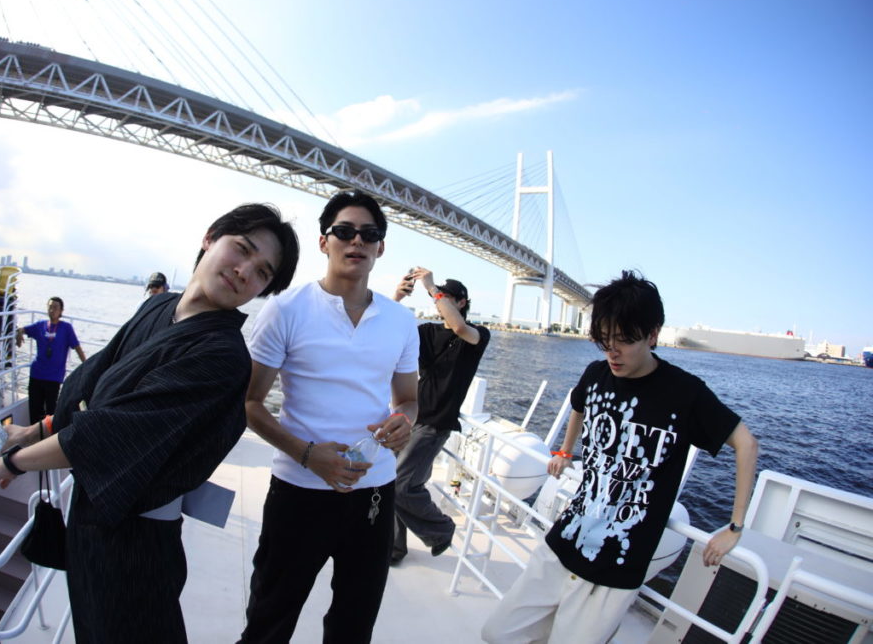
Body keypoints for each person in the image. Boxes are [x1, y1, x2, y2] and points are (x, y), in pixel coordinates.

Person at [0, 203, 300, 643]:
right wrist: (31, 433)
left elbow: (113, 432)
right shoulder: (158, 306)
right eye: (242, 249)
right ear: (210, 238)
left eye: (261, 273)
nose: (244, 271)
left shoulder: (222, 356)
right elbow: (92, 379)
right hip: (89, 518)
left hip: (136, 538)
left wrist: (12, 463)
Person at [481, 270, 759, 644]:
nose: (612, 351)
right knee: (498, 632)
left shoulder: (684, 393)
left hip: (618, 563)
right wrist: (566, 450)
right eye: (604, 340)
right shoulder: (596, 374)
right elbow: (578, 404)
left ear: (653, 334)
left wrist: (735, 527)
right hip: (565, 538)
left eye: (624, 341)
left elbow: (746, 444)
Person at [238, 190, 419, 644]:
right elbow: (250, 403)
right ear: (324, 242)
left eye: (369, 234)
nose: (357, 241)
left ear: (380, 247)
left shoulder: (401, 321)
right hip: (298, 493)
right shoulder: (286, 309)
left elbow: (408, 399)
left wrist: (405, 421)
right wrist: (307, 455)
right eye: (344, 231)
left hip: (374, 494)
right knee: (268, 621)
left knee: (354, 626)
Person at [390, 269, 490, 565]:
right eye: (437, 297)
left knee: (401, 485)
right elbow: (391, 329)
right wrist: (398, 297)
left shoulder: (476, 335)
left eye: (445, 297)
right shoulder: (428, 332)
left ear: (462, 302)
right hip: (410, 414)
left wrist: (432, 287)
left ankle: (441, 530)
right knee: (388, 479)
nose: (438, 302)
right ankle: (393, 547)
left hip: (435, 423)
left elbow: (458, 327)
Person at [16, 297, 87, 425]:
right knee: (34, 409)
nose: (52, 310)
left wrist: (87, 365)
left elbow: (77, 348)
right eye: (50, 307)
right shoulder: (40, 325)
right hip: (36, 374)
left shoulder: (66, 328)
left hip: (53, 377)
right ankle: (33, 435)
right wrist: (19, 333)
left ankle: (47, 436)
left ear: (61, 311)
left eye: (55, 307)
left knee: (51, 412)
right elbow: (23, 329)